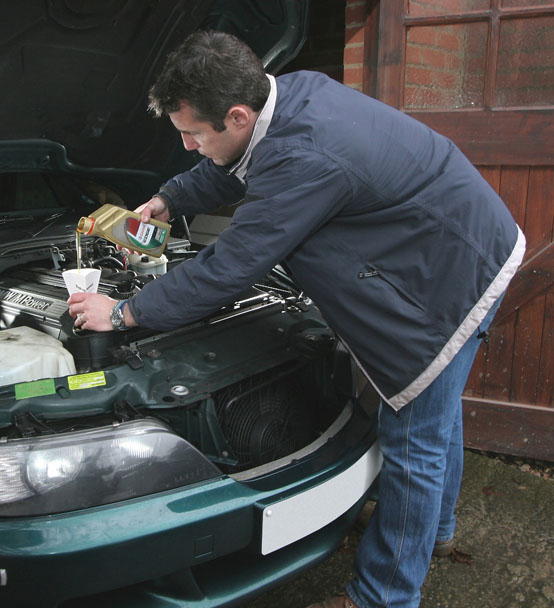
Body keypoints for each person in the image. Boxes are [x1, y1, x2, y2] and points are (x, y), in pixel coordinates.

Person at [67, 30, 524, 608]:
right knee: (434, 416)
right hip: (455, 243)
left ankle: (385, 595)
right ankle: (432, 532)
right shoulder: (288, 96)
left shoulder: (304, 154)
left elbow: (230, 266)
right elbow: (236, 160)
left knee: (414, 438)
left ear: (236, 113)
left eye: (192, 133)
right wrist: (172, 199)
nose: (186, 145)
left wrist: (126, 311)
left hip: (448, 275)